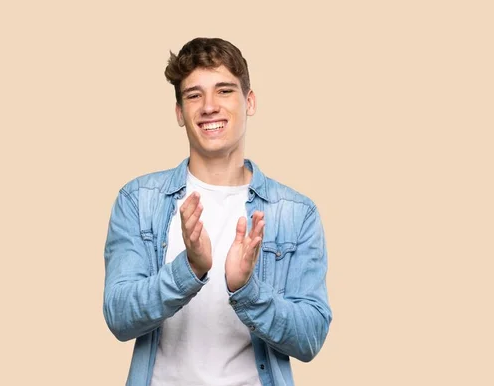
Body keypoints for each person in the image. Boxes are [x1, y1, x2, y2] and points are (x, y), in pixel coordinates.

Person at [103, 37, 333, 386]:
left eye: (224, 91)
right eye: (194, 95)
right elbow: (119, 316)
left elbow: (310, 337)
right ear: (180, 112)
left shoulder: (295, 213)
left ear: (249, 101)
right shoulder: (138, 200)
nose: (209, 106)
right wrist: (189, 270)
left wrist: (247, 289)